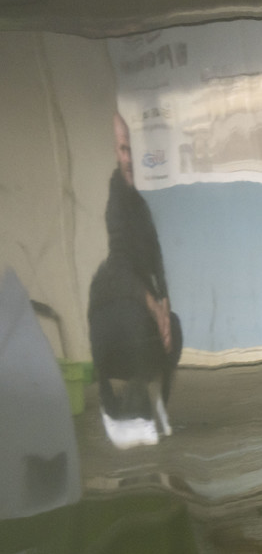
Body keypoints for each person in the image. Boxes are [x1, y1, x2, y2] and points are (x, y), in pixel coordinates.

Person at [87, 112, 183, 448]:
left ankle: (150, 407)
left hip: (140, 301)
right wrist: (154, 308)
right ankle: (127, 409)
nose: (129, 158)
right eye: (123, 150)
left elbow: (155, 256)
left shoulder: (140, 203)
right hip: (115, 304)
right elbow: (122, 267)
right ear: (116, 153)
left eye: (133, 150)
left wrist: (165, 301)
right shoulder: (116, 202)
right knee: (140, 326)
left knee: (175, 327)